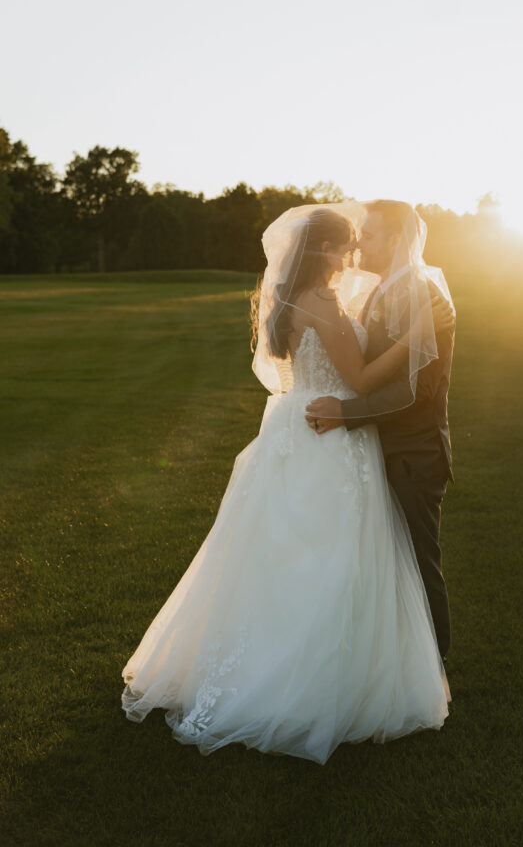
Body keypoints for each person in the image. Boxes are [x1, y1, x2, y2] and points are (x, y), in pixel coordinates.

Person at [121, 202, 453, 765]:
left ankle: (261, 663)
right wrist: (414, 335)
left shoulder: (291, 300)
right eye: (345, 244)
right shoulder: (323, 302)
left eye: (360, 241)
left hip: (291, 429)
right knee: (332, 560)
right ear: (320, 251)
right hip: (328, 436)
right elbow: (361, 378)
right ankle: (321, 682)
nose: (352, 253)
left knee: (275, 558)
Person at [305, 200, 455, 661]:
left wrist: (346, 412)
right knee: (384, 564)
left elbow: (415, 392)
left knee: (417, 562)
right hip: (377, 451)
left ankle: (434, 668)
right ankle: (394, 662)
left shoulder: (423, 294)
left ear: (394, 241)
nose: (357, 243)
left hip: (412, 453)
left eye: (368, 235)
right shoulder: (378, 291)